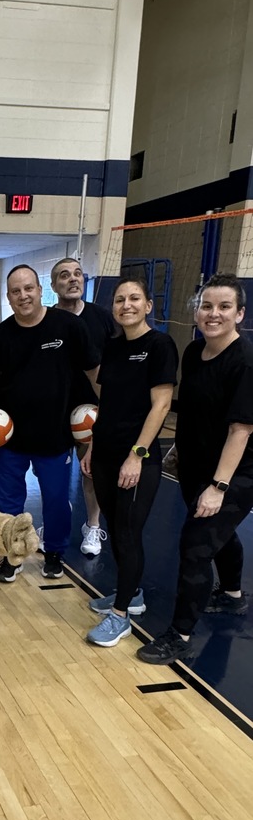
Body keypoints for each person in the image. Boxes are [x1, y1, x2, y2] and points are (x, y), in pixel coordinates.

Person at [138, 273, 253, 665]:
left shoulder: (245, 361)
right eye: (207, 306)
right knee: (220, 534)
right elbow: (192, 410)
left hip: (235, 473)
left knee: (195, 546)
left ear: (239, 313)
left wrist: (219, 487)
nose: (213, 314)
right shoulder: (193, 352)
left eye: (224, 307)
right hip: (194, 466)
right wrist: (178, 452)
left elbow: (240, 431)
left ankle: (180, 635)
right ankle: (234, 596)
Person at [0, 264, 100, 582]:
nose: (23, 295)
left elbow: (96, 374)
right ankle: (13, 556)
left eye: (29, 288)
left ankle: (54, 551)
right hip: (9, 439)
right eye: (16, 291)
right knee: (9, 503)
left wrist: (104, 423)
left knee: (56, 499)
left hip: (55, 436)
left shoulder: (68, 327)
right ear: (8, 297)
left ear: (41, 290)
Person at [80, 278, 178, 646]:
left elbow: (162, 405)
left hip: (137, 457)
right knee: (114, 524)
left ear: (148, 306)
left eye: (135, 298)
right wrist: (92, 446)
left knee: (127, 532)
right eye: (120, 300)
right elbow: (109, 403)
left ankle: (120, 617)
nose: (126, 305)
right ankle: (130, 593)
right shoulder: (115, 346)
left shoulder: (160, 345)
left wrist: (136, 455)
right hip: (104, 451)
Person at [52, 257, 116, 557]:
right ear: (53, 286)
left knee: (91, 472)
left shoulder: (101, 318)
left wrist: (109, 406)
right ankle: (55, 525)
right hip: (54, 409)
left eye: (78, 274)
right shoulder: (45, 319)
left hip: (91, 410)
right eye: (64, 275)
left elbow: (112, 366)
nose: (72, 279)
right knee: (54, 473)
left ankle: (92, 526)